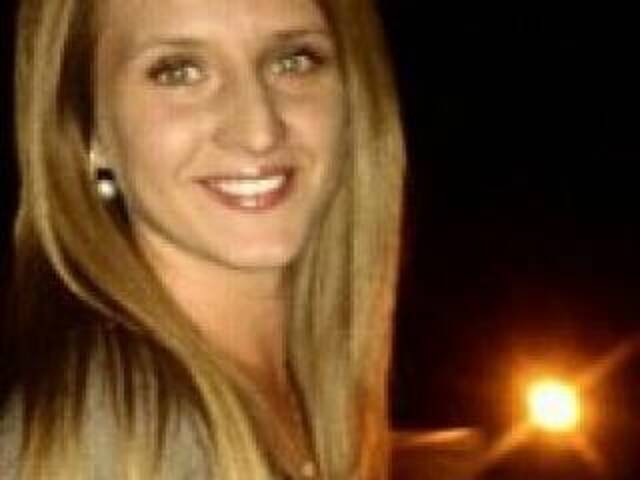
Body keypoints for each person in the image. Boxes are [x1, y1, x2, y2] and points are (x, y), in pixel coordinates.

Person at [0, 0, 405, 477]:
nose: (258, 131)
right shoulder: (122, 432)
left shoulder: (300, 392)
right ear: (89, 130)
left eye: (293, 61)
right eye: (179, 72)